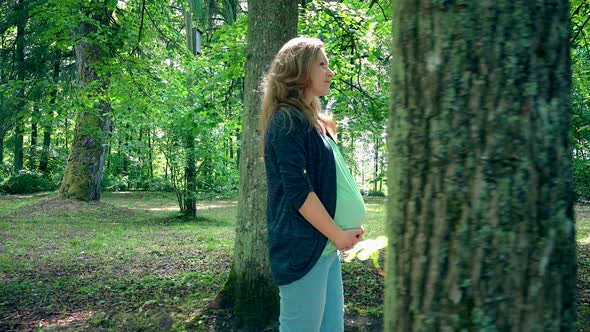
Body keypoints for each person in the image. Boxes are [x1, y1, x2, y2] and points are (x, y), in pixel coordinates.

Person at [260, 36, 367, 332]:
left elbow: (332, 184)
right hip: (304, 250)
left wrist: (346, 230)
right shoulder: (286, 120)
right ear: (299, 70)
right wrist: (338, 233)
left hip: (327, 247)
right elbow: (298, 191)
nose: (330, 71)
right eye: (322, 64)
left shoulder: (315, 122)